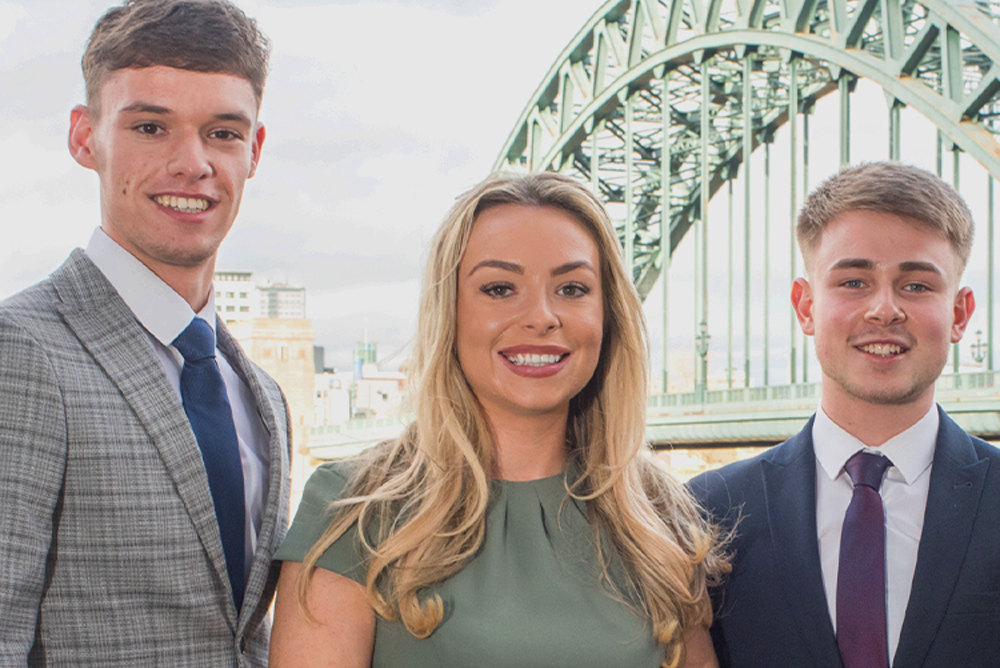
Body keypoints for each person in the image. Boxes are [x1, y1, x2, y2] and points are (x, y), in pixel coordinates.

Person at [269, 172, 729, 668]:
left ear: (608, 314)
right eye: (500, 288)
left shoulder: (658, 517)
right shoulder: (354, 511)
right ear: (451, 312)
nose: (541, 316)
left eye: (572, 287)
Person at [0, 1, 291, 665]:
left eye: (222, 132)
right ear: (85, 137)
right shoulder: (19, 351)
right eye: (152, 126)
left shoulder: (262, 396)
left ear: (255, 151)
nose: (192, 163)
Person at [690, 161, 1000, 668]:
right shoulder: (706, 514)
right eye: (854, 281)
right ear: (806, 306)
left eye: (916, 285)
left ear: (960, 314)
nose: (884, 309)